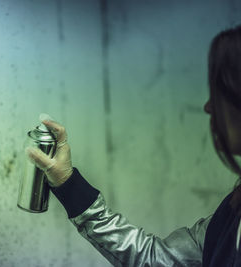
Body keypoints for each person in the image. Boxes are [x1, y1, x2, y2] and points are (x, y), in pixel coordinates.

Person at [25, 25, 241, 266]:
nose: (208, 107)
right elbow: (157, 259)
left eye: (219, 92)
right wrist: (67, 182)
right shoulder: (232, 214)